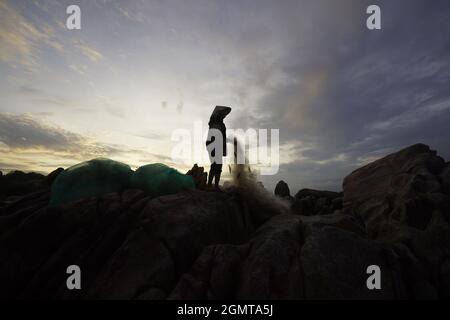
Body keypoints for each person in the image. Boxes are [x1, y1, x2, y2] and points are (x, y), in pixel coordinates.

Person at [206, 106, 231, 188]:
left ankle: (216, 186)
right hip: (213, 144)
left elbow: (222, 136)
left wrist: (228, 140)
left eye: (225, 115)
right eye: (223, 114)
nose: (224, 116)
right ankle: (209, 185)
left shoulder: (221, 124)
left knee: (219, 166)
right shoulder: (213, 121)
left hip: (219, 145)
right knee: (214, 165)